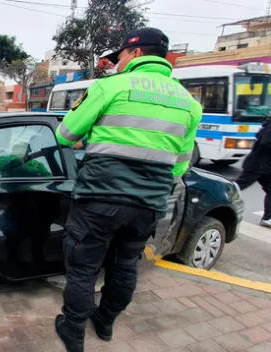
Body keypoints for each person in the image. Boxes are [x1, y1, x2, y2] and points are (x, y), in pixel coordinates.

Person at [53, 27, 202, 352]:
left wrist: (92, 140)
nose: (117, 62)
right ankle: (105, 323)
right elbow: (179, 166)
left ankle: (73, 331)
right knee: (124, 266)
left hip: (99, 199)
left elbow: (65, 133)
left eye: (119, 56)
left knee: (83, 268)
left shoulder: (111, 86)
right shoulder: (189, 104)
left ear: (134, 53)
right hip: (148, 204)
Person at [235, 116, 271, 228]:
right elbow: (266, 141)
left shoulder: (267, 125)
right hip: (257, 165)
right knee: (237, 186)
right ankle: (212, 199)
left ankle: (267, 218)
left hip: (265, 167)